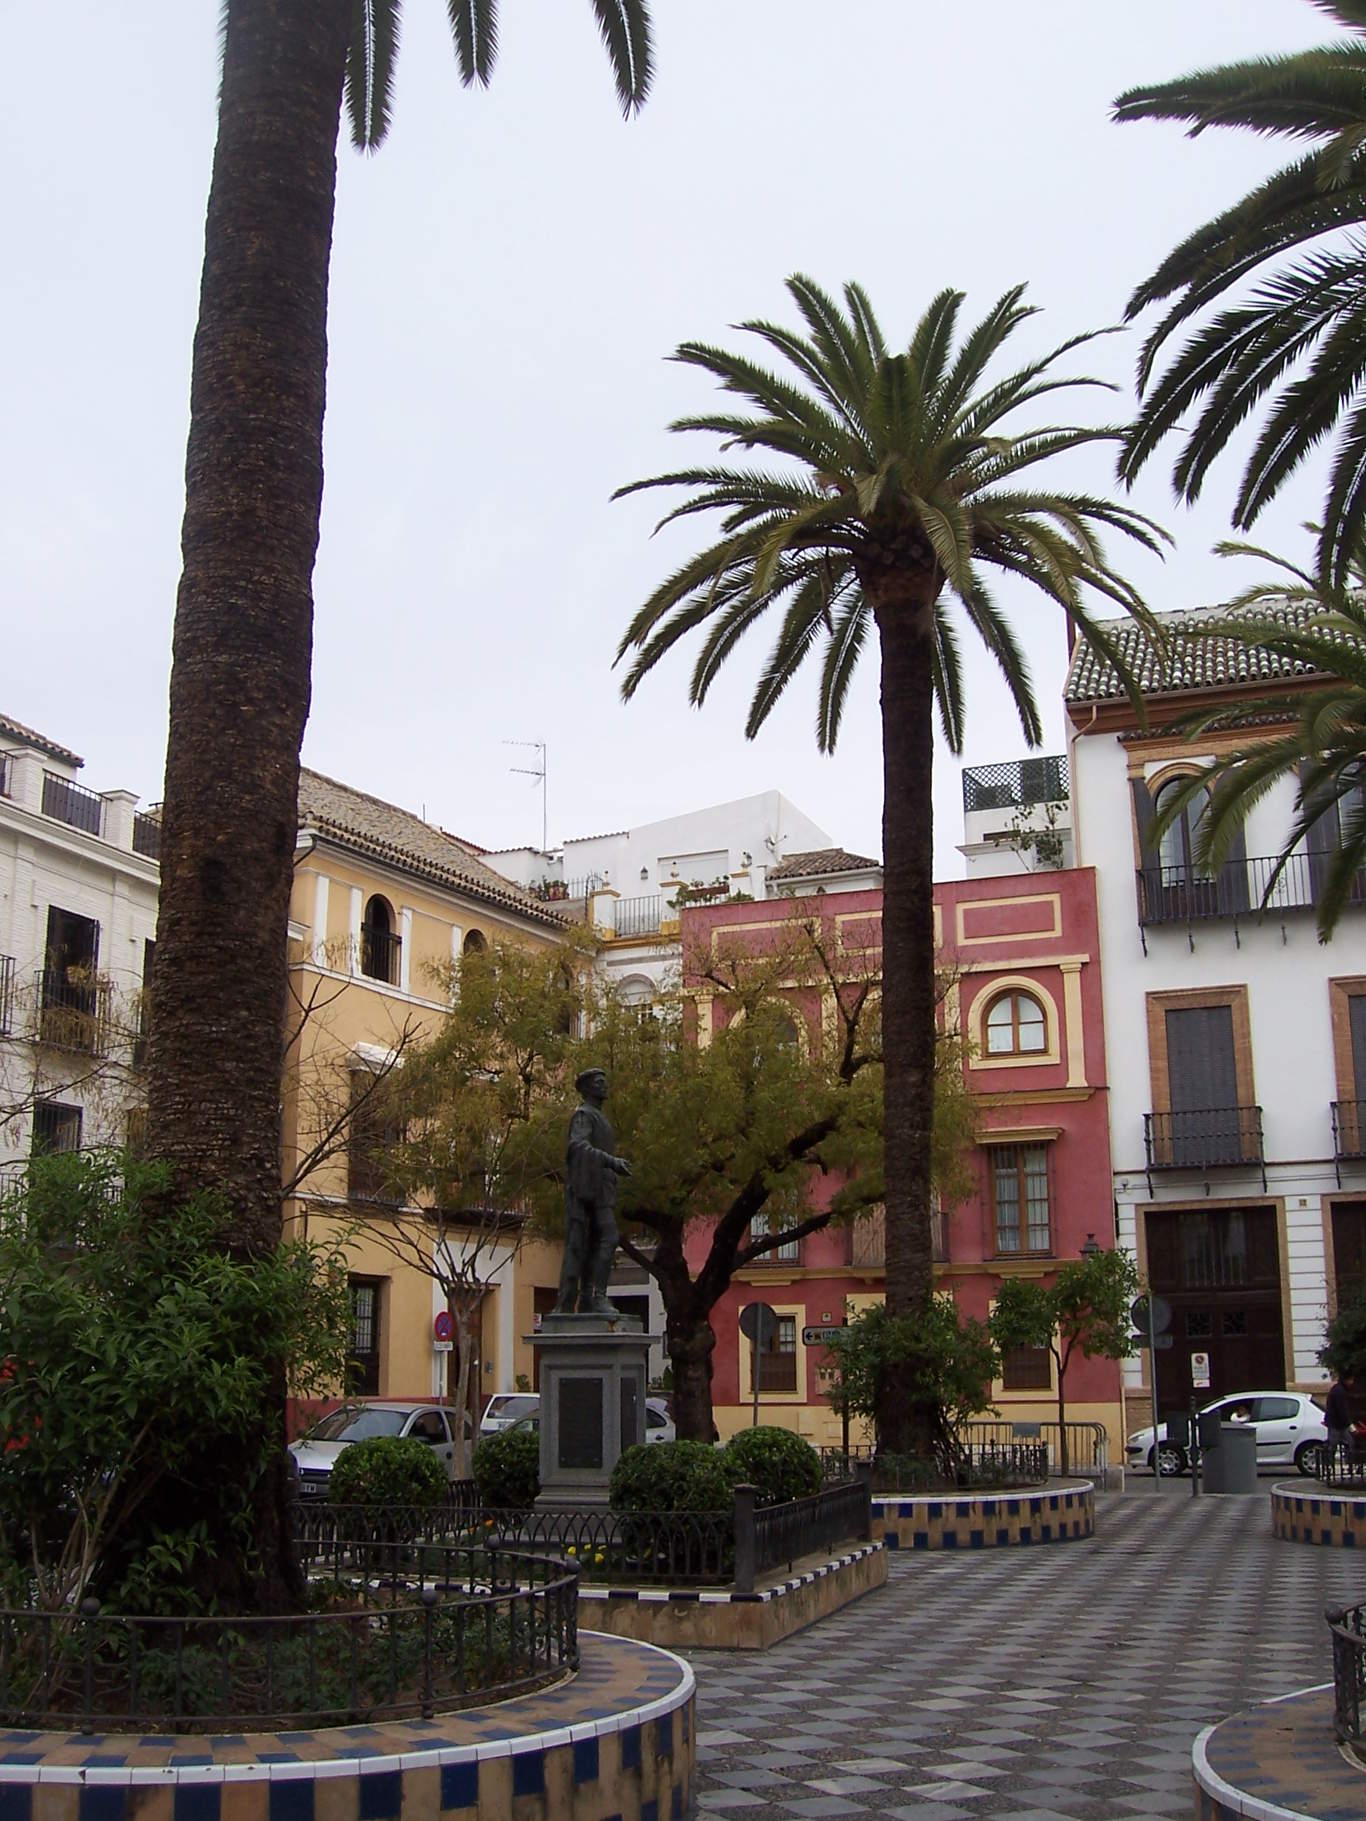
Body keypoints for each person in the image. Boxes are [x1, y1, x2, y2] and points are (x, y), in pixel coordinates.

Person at [553, 1068, 631, 1316]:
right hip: (590, 1189)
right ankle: (596, 1296)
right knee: (608, 1238)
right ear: (587, 1089)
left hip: (602, 1189)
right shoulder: (584, 1116)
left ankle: (588, 1298)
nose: (604, 1085)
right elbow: (577, 1146)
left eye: (604, 1081)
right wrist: (610, 1160)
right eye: (599, 1082)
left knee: (595, 1242)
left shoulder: (599, 1117)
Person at [1325, 1369, 1354, 1456]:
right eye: (1351, 1380)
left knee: (1342, 1443)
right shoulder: (1340, 1391)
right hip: (1337, 1424)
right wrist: (1349, 1424)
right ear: (1346, 1380)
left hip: (1336, 1423)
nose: (1352, 1382)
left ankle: (1330, 1464)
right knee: (1344, 1443)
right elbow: (1342, 1409)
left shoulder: (1337, 1389)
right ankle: (1329, 1464)